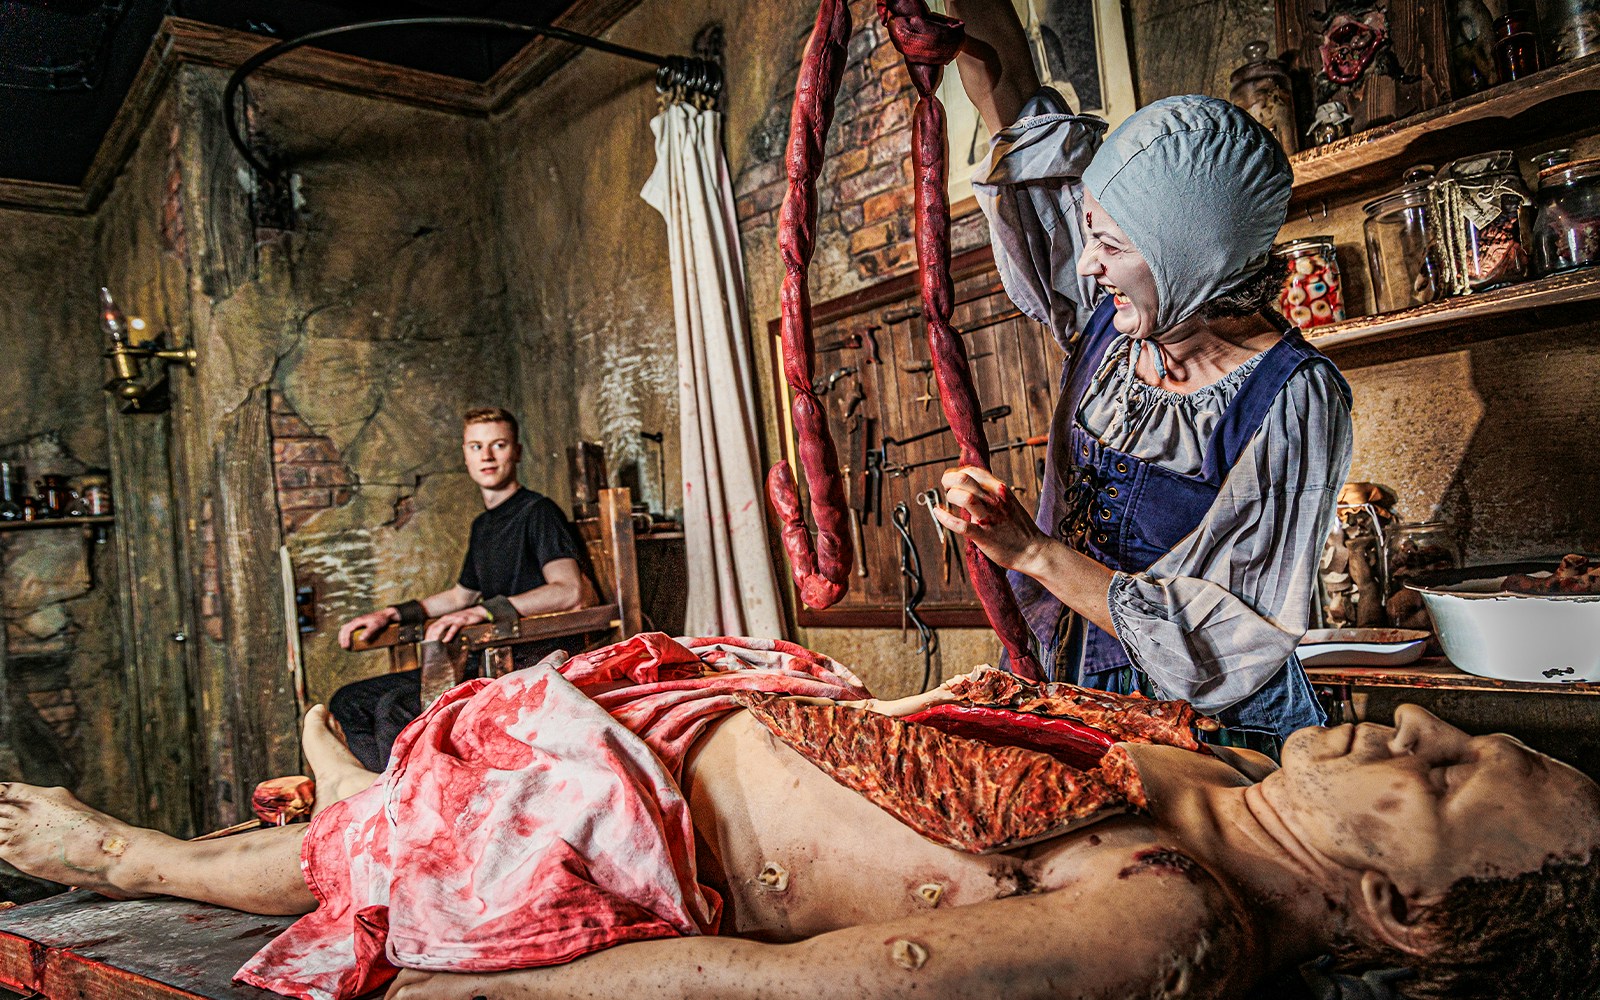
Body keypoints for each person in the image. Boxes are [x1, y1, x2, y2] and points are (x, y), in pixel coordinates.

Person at [1, 635, 1596, 1000]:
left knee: (393, 843)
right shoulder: (1227, 770)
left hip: (620, 817)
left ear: (1410, 914)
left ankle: (126, 856)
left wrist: (459, 995)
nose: (1420, 722)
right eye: (1458, 729)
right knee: (400, 775)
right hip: (692, 705)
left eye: (1448, 774)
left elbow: (755, 993)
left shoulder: (1164, 917)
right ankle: (340, 792)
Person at [931, 0, 1354, 755]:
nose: (1089, 264)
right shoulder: (1115, 318)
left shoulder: (1294, 400)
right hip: (1059, 684)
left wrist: (1033, 553)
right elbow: (1018, 110)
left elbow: (1230, 642)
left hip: (1205, 739)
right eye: (1089, 234)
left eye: (1110, 244)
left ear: (1189, 260)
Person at [332, 406, 597, 769]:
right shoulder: (483, 526)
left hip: (523, 658)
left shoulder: (538, 512)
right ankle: (387, 791)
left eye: (498, 445)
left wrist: (484, 611)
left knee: (391, 707)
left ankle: (406, 795)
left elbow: (569, 591)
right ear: (465, 454)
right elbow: (461, 595)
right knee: (350, 700)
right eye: (476, 447)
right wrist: (392, 613)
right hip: (480, 654)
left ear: (516, 452)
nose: (486, 456)